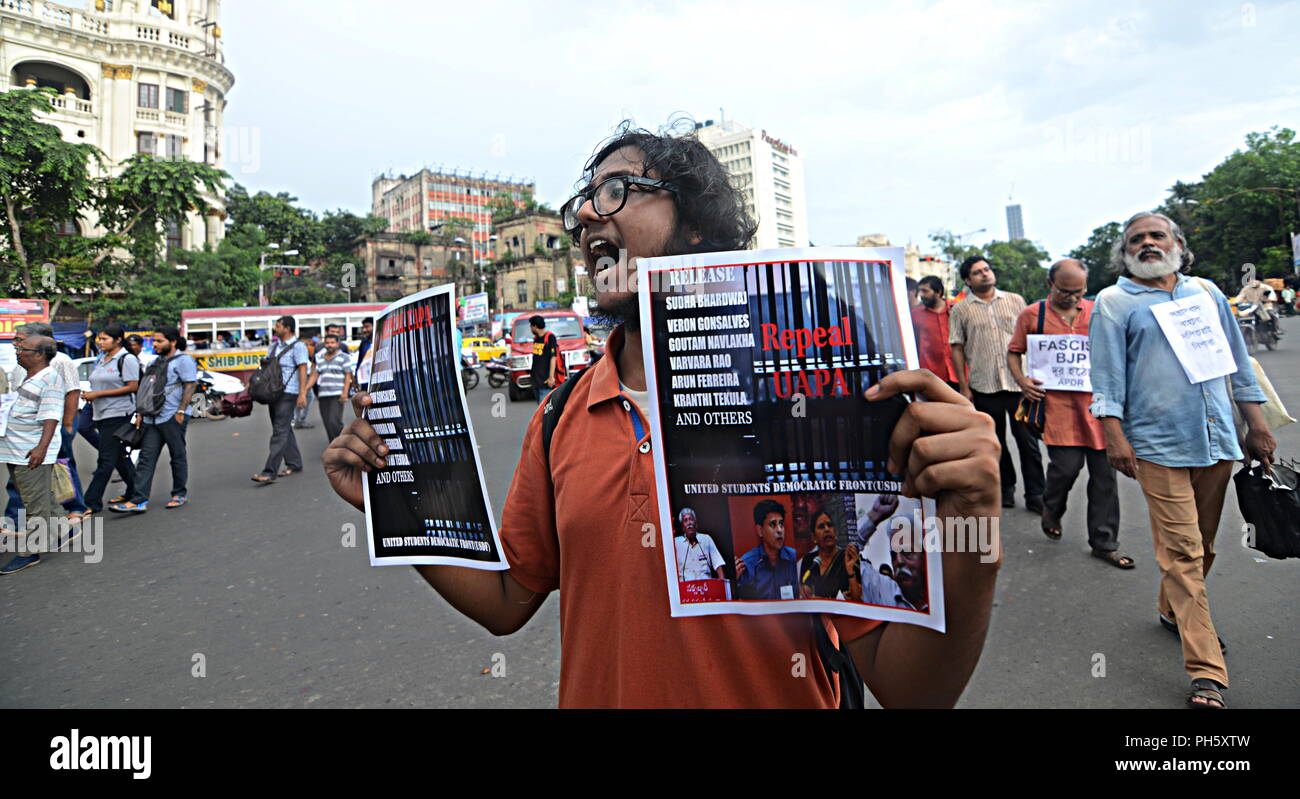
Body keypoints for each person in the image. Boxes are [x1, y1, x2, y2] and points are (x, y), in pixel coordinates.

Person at [325, 124, 1001, 708]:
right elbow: (507, 598)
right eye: (583, 203)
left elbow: (916, 690)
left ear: (697, 224)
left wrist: (974, 521)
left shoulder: (807, 400)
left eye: (618, 191)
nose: (589, 215)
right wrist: (392, 507)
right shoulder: (562, 414)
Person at [1090, 211, 1274, 710]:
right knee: (1184, 551)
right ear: (1125, 252)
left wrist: (1256, 424)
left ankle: (1170, 608)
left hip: (1216, 439)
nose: (1148, 243)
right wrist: (1114, 435)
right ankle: (1207, 670)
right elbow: (1105, 380)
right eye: (1136, 239)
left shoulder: (1206, 293)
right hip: (1156, 445)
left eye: (1157, 236)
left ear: (1176, 243)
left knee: (1204, 542)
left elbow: (1237, 361)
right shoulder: (1113, 302)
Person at [1007, 259, 1133, 569]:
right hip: (1059, 411)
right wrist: (1023, 382)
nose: (1074, 298)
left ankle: (1104, 542)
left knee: (1105, 478)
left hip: (1100, 410)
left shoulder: (1098, 312)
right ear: (1050, 284)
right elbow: (1014, 352)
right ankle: (1052, 508)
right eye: (1066, 292)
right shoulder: (1031, 316)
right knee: (1064, 469)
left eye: (1080, 292)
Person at [949, 255, 1045, 512]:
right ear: (968, 280)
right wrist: (964, 386)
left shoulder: (1015, 301)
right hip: (984, 386)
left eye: (987, 269)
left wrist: (1035, 376)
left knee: (1028, 442)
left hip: (1020, 386)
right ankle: (1006, 489)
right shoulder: (960, 310)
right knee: (995, 443)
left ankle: (1037, 494)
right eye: (978, 272)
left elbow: (1032, 339)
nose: (985, 274)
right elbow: (957, 347)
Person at [2, 323, 87, 531]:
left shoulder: (60, 362)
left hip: (51, 426)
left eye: (20, 340)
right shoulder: (21, 363)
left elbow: (72, 392)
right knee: (26, 481)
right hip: (25, 433)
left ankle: (75, 507)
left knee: (62, 466)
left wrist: (67, 425)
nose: (16, 344)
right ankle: (17, 519)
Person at [0, 336, 69, 574]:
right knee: (39, 495)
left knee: (34, 504)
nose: (18, 352)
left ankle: (30, 551)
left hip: (31, 451)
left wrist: (41, 448)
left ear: (39, 354)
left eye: (23, 349)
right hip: (16, 449)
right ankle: (64, 530)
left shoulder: (50, 378)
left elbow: (51, 416)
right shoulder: (28, 376)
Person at [116, 326, 198, 513]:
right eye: (154, 341)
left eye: (159, 341)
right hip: (152, 418)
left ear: (173, 341)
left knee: (177, 455)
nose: (155, 344)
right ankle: (138, 500)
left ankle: (179, 494)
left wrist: (181, 410)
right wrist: (140, 413)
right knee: (146, 458)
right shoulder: (155, 361)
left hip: (172, 415)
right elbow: (146, 388)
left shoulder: (183, 360)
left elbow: (190, 385)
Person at [81, 325, 141, 514]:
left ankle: (91, 502)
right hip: (99, 411)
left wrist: (98, 394)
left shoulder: (127, 359)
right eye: (100, 338)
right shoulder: (102, 359)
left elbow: (133, 386)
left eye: (105, 339)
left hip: (118, 413)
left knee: (106, 460)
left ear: (118, 340)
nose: (100, 342)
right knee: (118, 455)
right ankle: (135, 491)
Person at [251, 316, 309, 484]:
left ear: (287, 328)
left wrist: (302, 393)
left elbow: (303, 369)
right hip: (273, 393)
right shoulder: (274, 346)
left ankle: (269, 471)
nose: (275, 328)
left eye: (278, 325)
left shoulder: (298, 347)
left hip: (289, 393)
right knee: (283, 429)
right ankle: (295, 463)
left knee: (279, 431)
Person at [733, 499, 801, 600]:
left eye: (781, 524)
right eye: (773, 524)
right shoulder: (748, 564)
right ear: (760, 531)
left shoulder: (794, 558)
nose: (779, 530)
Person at [799, 506, 862, 601]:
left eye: (829, 525)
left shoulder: (848, 557)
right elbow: (804, 592)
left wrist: (850, 572)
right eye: (821, 527)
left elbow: (857, 599)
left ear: (835, 532)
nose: (827, 529)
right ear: (813, 537)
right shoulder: (809, 560)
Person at [911, 275, 958, 389]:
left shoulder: (956, 310)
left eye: (925, 291)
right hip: (932, 377)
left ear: (938, 292)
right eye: (920, 291)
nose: (921, 295)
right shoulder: (915, 315)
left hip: (959, 375)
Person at [306, 333, 354, 442]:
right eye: (327, 343)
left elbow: (347, 375)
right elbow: (315, 375)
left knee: (334, 421)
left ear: (337, 344)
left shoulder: (344, 357)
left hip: (337, 394)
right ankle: (333, 444)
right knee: (327, 422)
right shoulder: (320, 358)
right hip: (323, 395)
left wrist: (345, 393)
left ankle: (342, 443)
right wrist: (305, 389)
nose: (329, 345)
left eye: (332, 343)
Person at [673, 507, 725, 581]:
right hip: (686, 587)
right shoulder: (676, 543)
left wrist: (722, 583)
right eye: (685, 520)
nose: (689, 523)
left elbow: (718, 563)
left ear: (696, 523)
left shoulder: (706, 539)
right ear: (682, 527)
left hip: (706, 585)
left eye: (691, 519)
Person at [528, 315, 561, 404]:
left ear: (535, 326)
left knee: (543, 409)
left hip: (545, 380)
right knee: (540, 406)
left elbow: (553, 357)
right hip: (536, 379)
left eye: (531, 326)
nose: (530, 329)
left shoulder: (550, 337)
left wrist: (551, 377)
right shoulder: (536, 338)